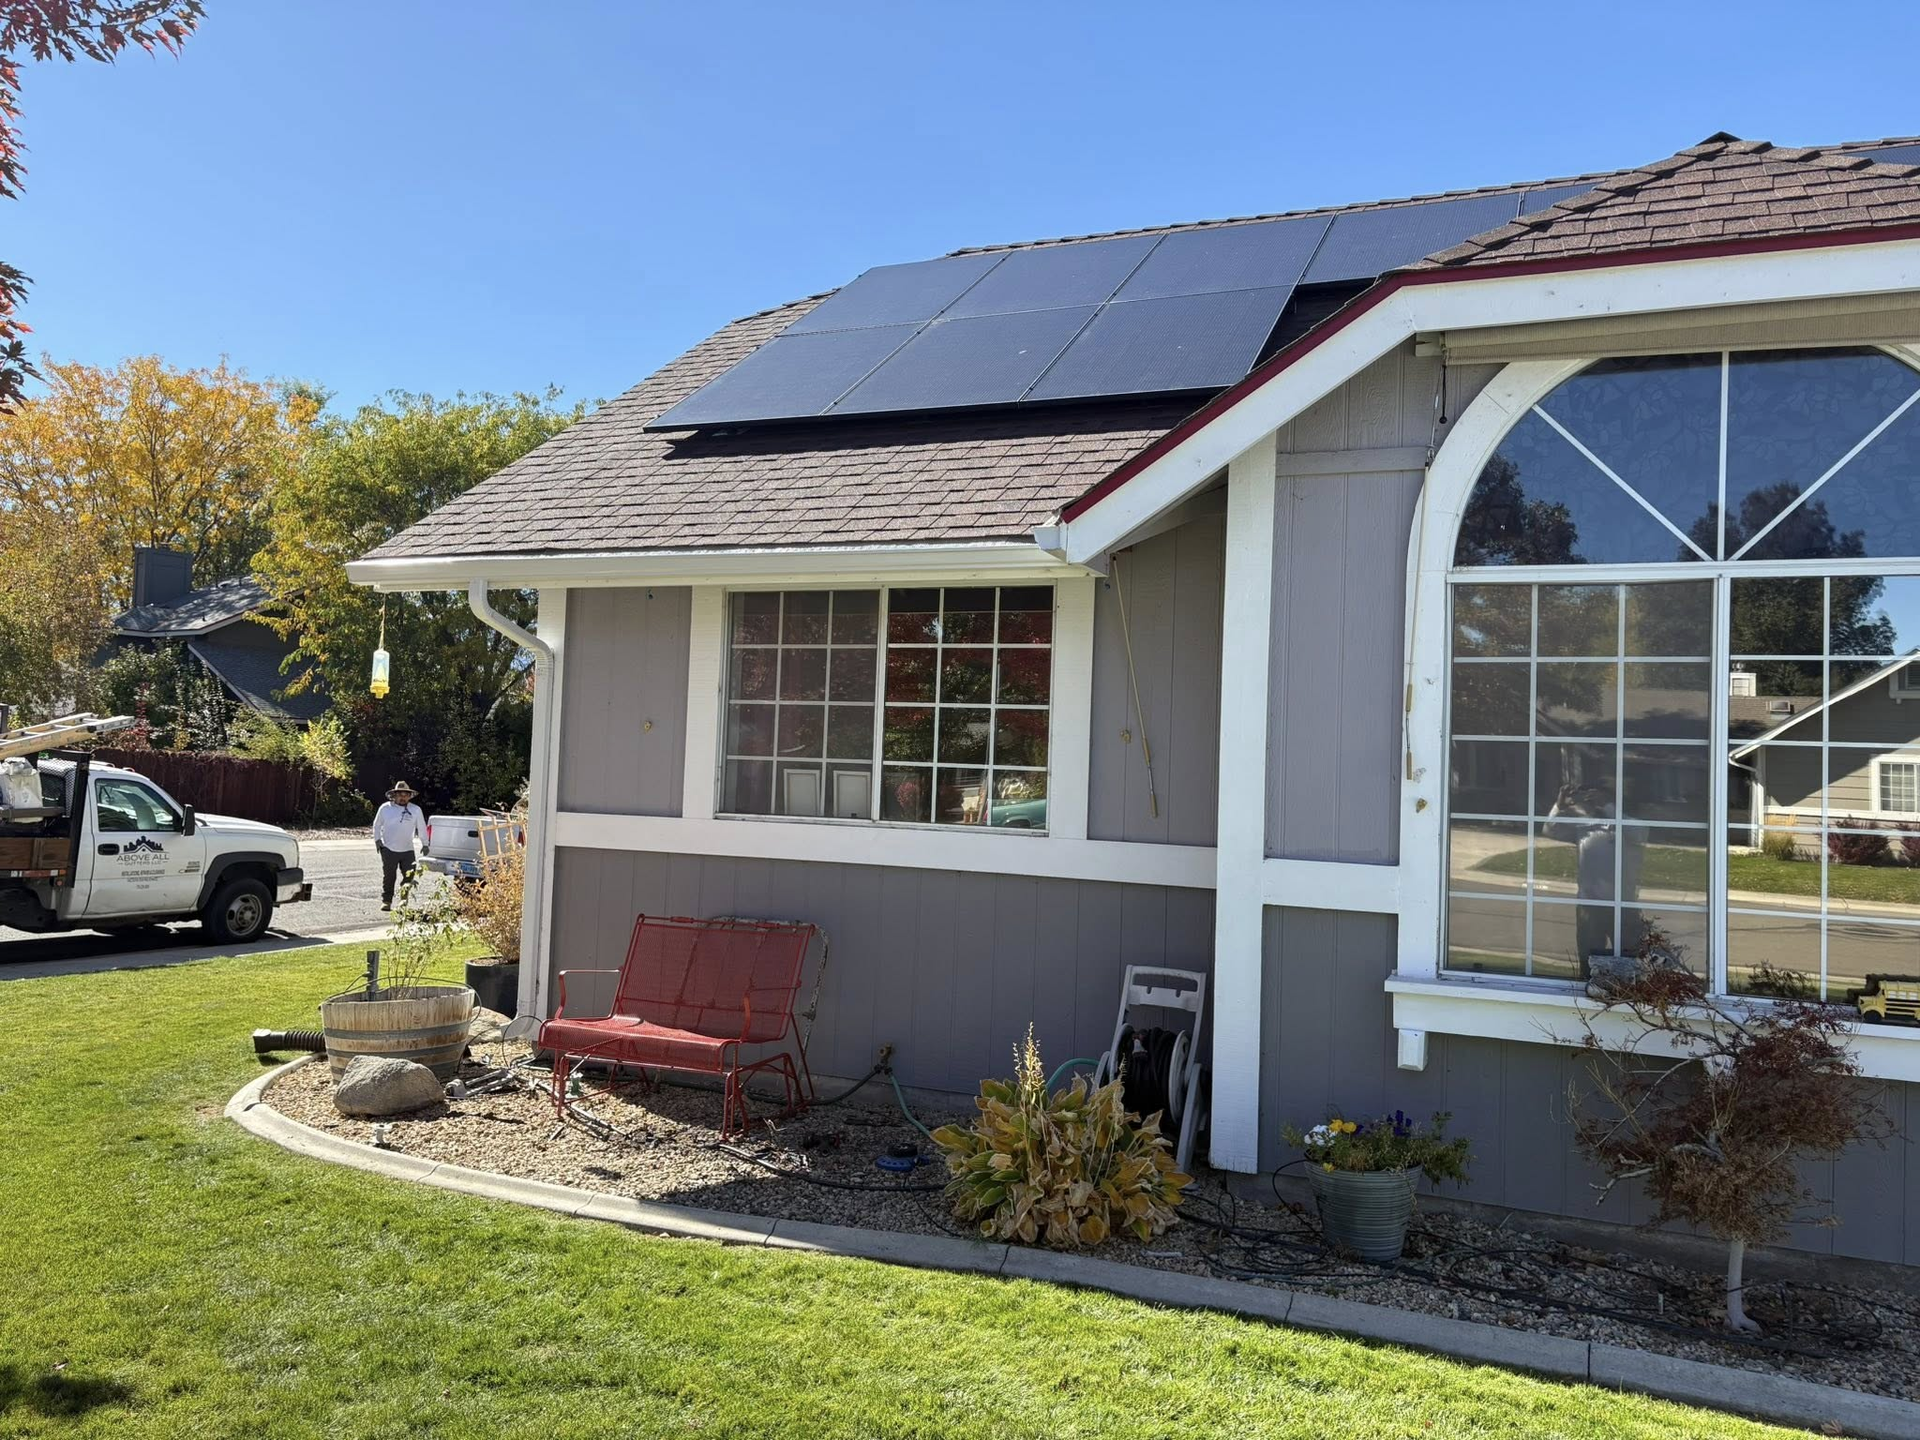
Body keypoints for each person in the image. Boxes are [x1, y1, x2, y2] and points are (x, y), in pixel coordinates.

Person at [372, 781, 426, 911]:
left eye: (406, 795)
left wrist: (425, 844)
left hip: (407, 849)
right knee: (389, 876)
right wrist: (378, 841)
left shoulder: (415, 810)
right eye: (400, 794)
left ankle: (403, 900)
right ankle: (386, 901)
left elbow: (422, 828)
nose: (403, 797)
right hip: (389, 848)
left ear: (409, 796)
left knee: (409, 876)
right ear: (394, 795)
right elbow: (377, 825)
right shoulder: (385, 808)